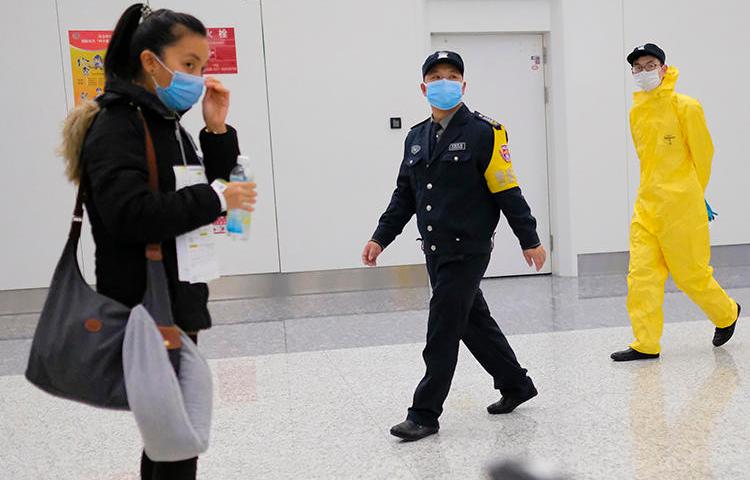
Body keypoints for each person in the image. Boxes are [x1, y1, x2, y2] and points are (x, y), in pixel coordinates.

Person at [60, 4, 256, 478]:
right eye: (189, 64)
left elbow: (202, 187)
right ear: (152, 62)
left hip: (175, 295)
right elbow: (130, 214)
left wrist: (215, 130)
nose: (197, 76)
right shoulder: (118, 126)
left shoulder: (163, 124)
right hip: (147, 306)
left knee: (171, 438)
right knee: (172, 439)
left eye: (202, 66)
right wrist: (216, 198)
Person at [362, 51, 546, 441]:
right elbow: (404, 197)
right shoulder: (415, 137)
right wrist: (380, 237)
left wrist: (528, 237)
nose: (444, 82)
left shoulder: (485, 132)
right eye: (436, 76)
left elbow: (507, 189)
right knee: (472, 321)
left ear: (463, 85)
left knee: (443, 327)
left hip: (469, 247)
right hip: (436, 248)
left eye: (452, 76)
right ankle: (516, 384)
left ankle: (424, 413)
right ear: (423, 86)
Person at [611, 43, 741, 362]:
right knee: (641, 276)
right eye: (637, 67)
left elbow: (704, 155)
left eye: (650, 64)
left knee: (690, 275)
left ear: (664, 68)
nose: (643, 72)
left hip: (681, 207)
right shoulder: (637, 111)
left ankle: (726, 313)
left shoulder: (686, 107)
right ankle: (646, 343)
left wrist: (696, 194)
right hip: (647, 206)